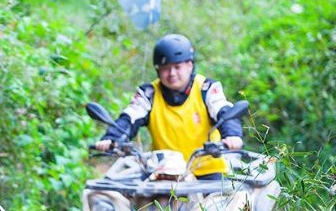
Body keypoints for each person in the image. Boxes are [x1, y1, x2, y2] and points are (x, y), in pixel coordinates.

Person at [94, 34, 243, 180]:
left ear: (189, 66)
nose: (172, 73)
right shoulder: (149, 94)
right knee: (121, 192)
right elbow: (130, 118)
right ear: (158, 70)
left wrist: (232, 136)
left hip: (208, 172)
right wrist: (111, 138)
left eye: (177, 67)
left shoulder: (206, 89)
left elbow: (224, 112)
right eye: (165, 68)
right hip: (164, 173)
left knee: (224, 197)